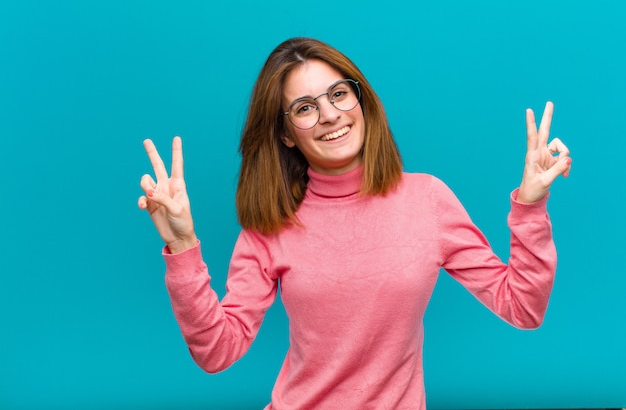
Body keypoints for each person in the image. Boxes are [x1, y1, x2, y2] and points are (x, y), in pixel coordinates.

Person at [138, 37, 571, 410]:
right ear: (286, 133)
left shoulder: (427, 199)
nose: (329, 115)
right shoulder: (272, 226)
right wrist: (183, 248)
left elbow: (523, 307)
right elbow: (217, 352)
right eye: (305, 107)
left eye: (339, 94)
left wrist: (531, 205)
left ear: (359, 100)